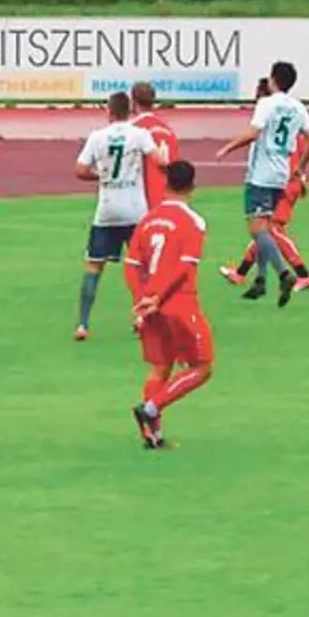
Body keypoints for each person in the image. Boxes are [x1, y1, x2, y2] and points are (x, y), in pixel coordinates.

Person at [215, 61, 309, 307]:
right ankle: (260, 279)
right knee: (265, 227)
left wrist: (227, 147)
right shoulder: (297, 107)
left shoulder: (266, 104)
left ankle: (284, 274)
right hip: (281, 175)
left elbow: (253, 133)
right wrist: (301, 168)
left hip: (260, 175)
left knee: (259, 230)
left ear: (273, 80)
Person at [126, 161, 214, 449]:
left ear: (165, 185)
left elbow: (132, 265)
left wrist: (142, 300)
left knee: (159, 366)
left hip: (149, 306)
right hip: (179, 303)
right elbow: (184, 269)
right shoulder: (193, 222)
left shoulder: (147, 220)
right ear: (192, 187)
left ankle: (152, 435)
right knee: (201, 367)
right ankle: (152, 407)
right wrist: (159, 298)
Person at [73, 91, 166, 340]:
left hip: (107, 208)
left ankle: (82, 324)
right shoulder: (140, 134)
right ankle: (142, 317)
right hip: (136, 210)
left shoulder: (97, 136)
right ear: (130, 111)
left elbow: (80, 169)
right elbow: (159, 160)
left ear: (109, 111)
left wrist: (100, 176)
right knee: (143, 267)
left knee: (94, 266)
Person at [129, 81, 180, 208]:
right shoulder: (168, 130)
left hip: (141, 197)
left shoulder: (133, 128)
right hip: (166, 196)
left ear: (133, 101)